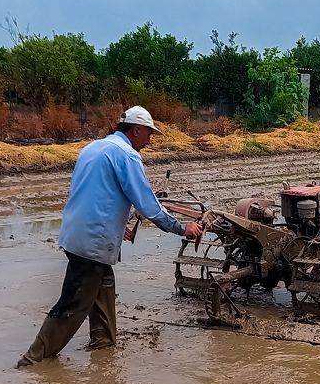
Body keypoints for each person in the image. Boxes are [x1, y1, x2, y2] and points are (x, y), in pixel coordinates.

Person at [17, 106, 204, 367]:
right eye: (149, 134)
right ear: (136, 130)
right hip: (93, 241)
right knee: (74, 302)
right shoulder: (127, 155)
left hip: (76, 233)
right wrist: (182, 228)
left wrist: (116, 224)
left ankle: (103, 345)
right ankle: (33, 359)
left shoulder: (93, 148)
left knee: (103, 286)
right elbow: (147, 205)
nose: (149, 141)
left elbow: (94, 193)